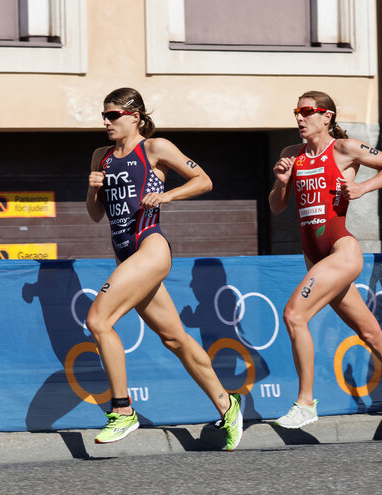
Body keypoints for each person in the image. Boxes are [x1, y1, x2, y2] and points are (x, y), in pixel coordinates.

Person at [268, 90, 382, 432]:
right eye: (296, 111)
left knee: (294, 315)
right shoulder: (291, 155)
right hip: (314, 257)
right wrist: (282, 183)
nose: (299, 118)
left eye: (306, 111)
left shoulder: (345, 149)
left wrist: (363, 188)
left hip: (341, 251)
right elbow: (276, 206)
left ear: (326, 116)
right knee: (371, 332)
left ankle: (305, 403)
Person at [85, 87, 242, 449]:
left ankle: (122, 411)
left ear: (135, 116)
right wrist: (92, 189)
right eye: (104, 116)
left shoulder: (155, 147)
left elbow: (204, 180)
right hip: (126, 254)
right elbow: (96, 215)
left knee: (98, 320)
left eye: (113, 116)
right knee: (174, 338)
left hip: (150, 247)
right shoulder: (101, 157)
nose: (106, 122)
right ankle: (226, 404)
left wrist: (166, 195)